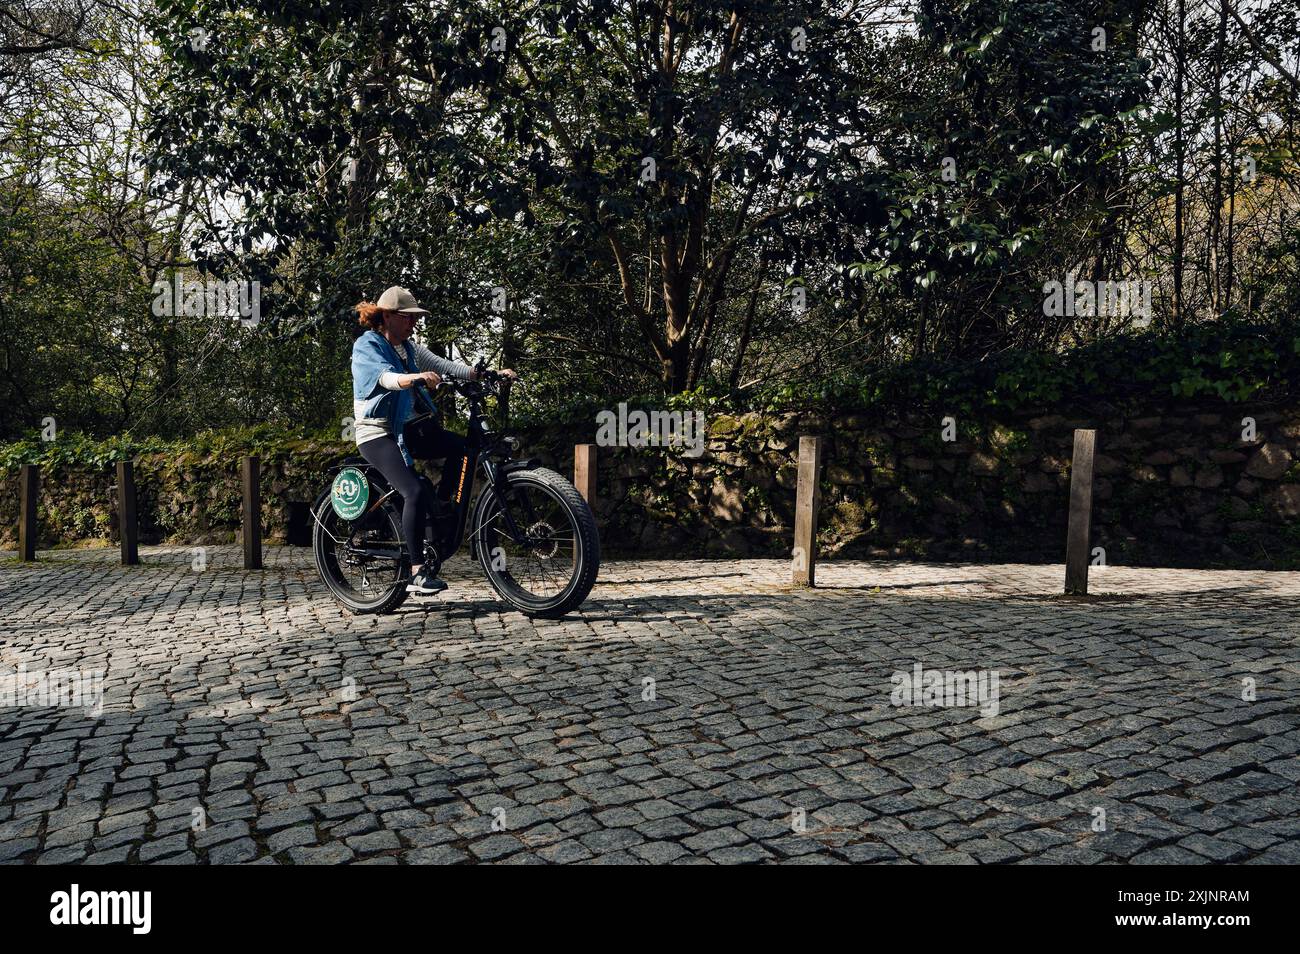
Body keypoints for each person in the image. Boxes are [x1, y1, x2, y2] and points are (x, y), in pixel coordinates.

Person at [351, 285, 517, 594]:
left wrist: (490, 374)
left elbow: (447, 366)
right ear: (387, 316)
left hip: (412, 431)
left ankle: (440, 507)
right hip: (378, 433)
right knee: (413, 491)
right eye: (407, 318)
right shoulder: (367, 347)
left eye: (415, 319)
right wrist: (411, 379)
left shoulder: (412, 349)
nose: (413, 324)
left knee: (464, 448)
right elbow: (385, 377)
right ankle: (416, 571)